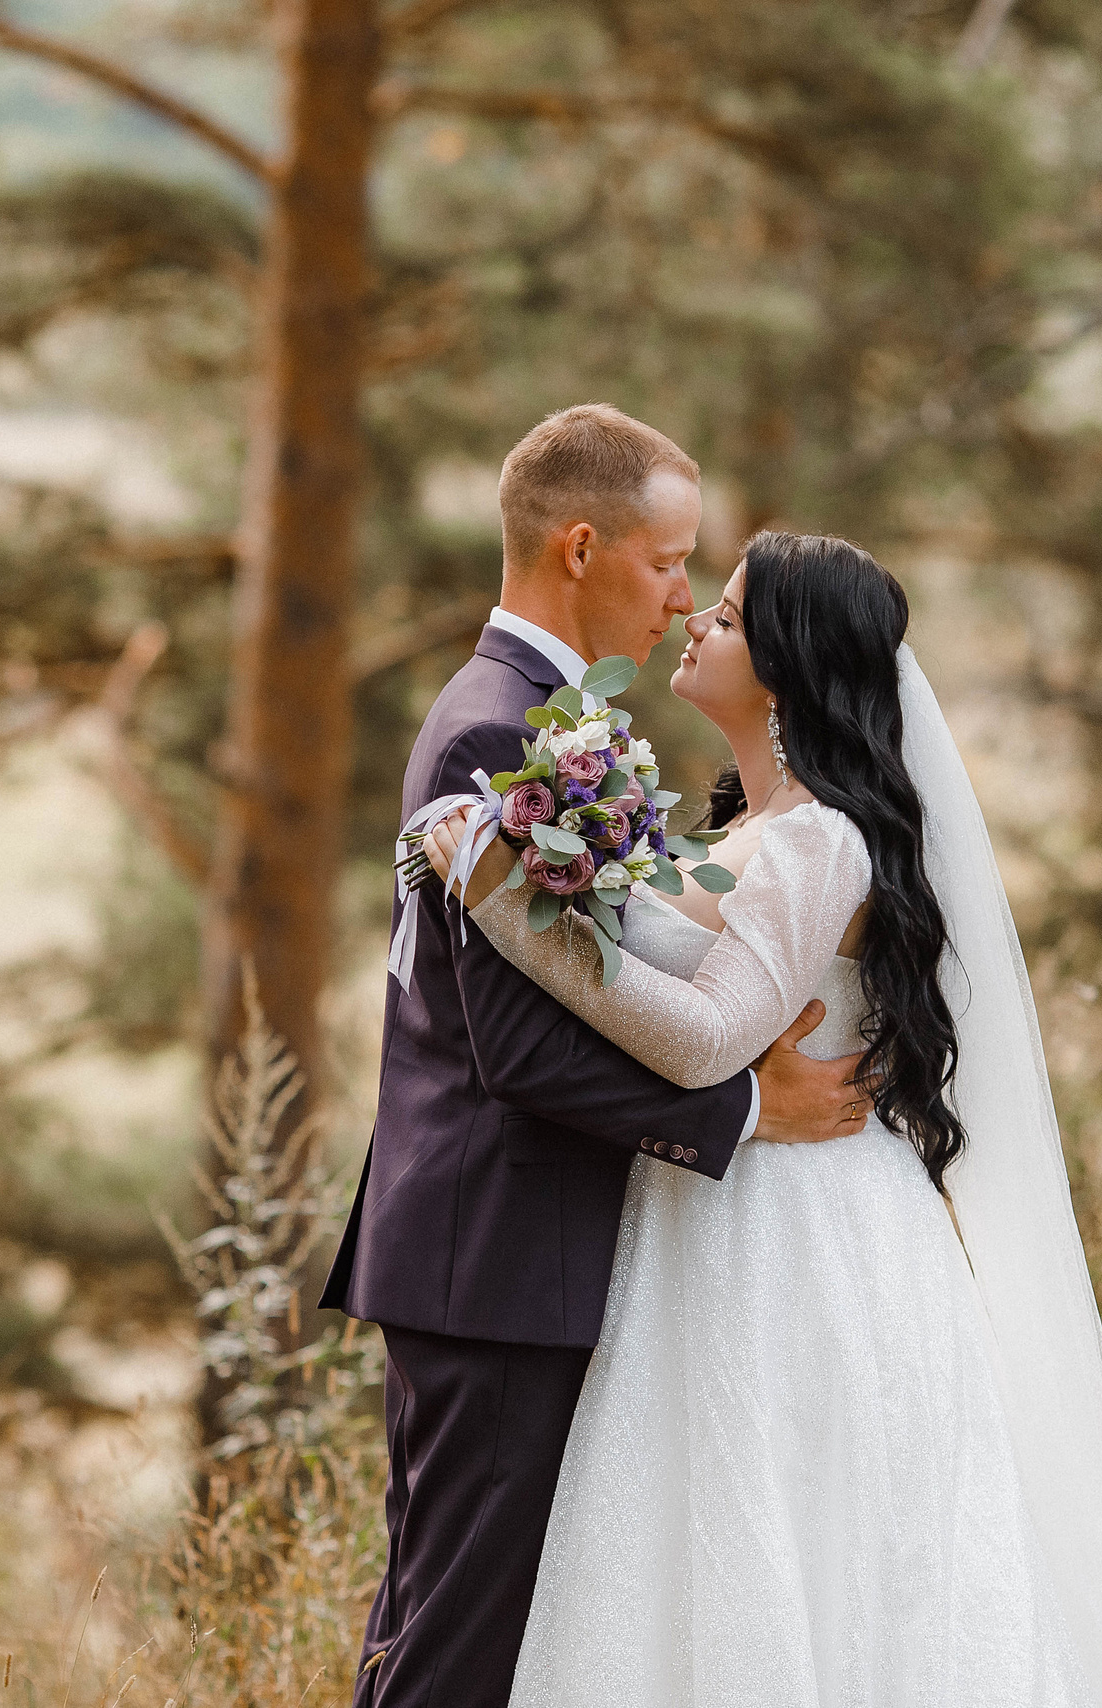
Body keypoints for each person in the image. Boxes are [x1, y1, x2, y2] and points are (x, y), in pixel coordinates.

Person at [420, 529, 1102, 1707]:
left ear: (783, 669)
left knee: (798, 1560)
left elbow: (704, 1036)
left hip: (793, 1243)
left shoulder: (818, 840)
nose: (695, 622)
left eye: (726, 618)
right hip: (722, 1223)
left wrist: (505, 908)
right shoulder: (750, 833)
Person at [319, 405, 868, 1708]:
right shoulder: (500, 733)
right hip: (500, 1250)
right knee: (457, 1648)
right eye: (671, 561)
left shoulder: (532, 716)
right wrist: (746, 1114)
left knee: (454, 1632)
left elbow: (598, 973)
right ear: (581, 547)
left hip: (500, 1247)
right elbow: (512, 1047)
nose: (685, 599)